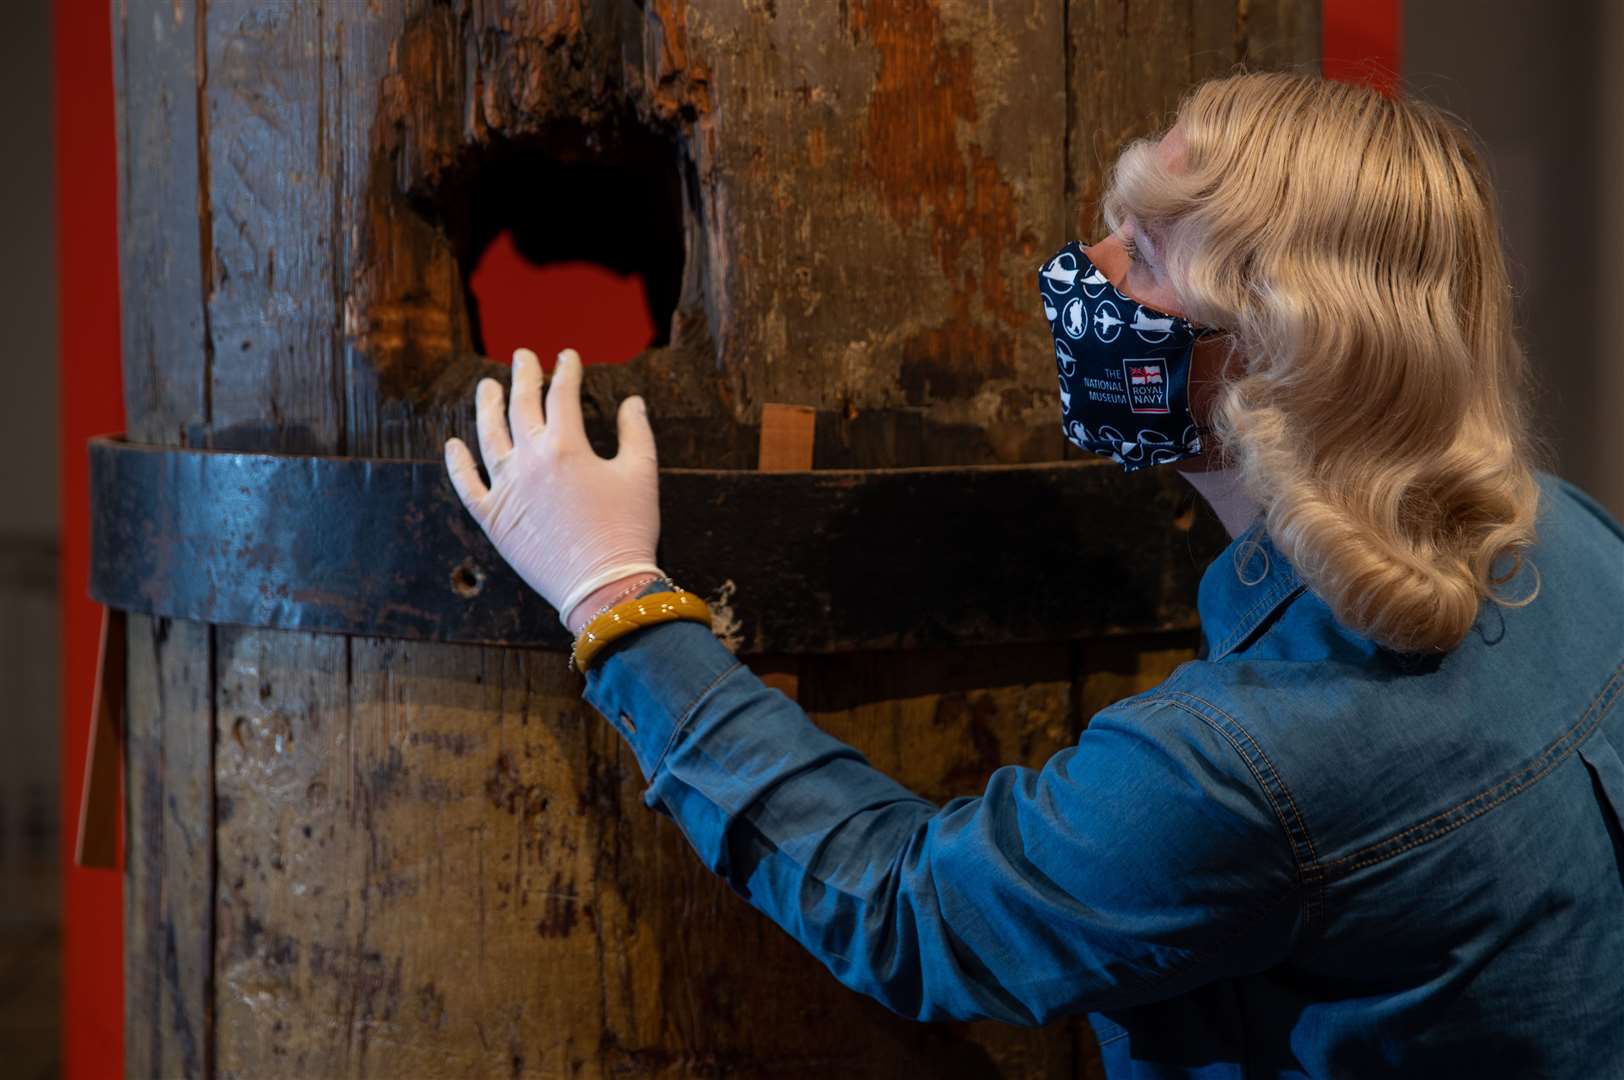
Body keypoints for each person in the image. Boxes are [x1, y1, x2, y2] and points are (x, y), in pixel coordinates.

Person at [443, 70, 1624, 1077]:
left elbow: (909, 907)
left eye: (1146, 253)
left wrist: (612, 591)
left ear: (1273, 351)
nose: (1087, 266)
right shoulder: (1571, 536)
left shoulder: (1239, 766)